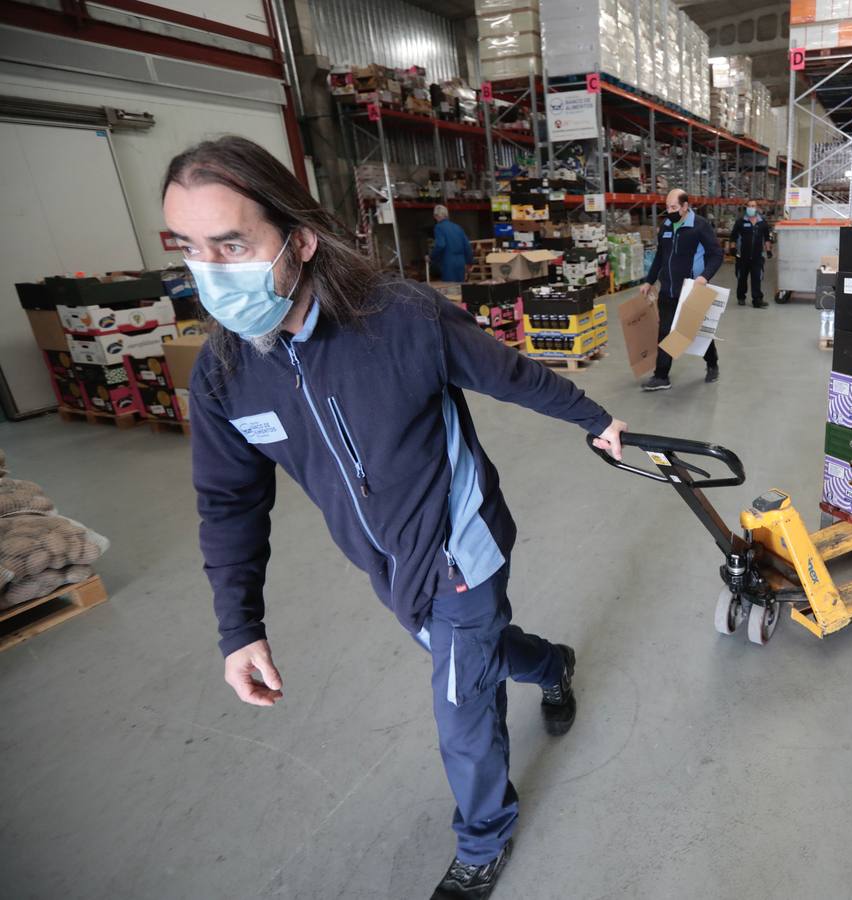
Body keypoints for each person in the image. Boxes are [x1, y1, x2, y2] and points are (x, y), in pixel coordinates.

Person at [163, 136, 627, 900]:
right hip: (386, 564)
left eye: (232, 243)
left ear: (300, 240)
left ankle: (483, 839)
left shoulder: (400, 319)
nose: (212, 271)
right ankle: (551, 665)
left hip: (459, 544)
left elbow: (504, 371)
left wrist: (591, 416)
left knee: (459, 705)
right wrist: (238, 626)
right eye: (191, 248)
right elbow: (229, 503)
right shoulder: (225, 375)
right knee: (468, 659)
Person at [638, 189, 725, 392]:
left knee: (695, 332)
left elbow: (716, 254)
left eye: (674, 207)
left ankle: (712, 363)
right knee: (665, 333)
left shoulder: (699, 226)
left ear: (685, 206)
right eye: (667, 207)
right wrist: (649, 281)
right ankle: (661, 376)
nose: (669, 211)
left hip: (691, 290)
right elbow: (660, 255)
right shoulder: (666, 225)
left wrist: (704, 277)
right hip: (667, 289)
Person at [729, 204, 773, 308]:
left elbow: (766, 238)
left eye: (753, 206)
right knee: (741, 278)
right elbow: (733, 237)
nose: (750, 208)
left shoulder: (762, 223)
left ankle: (757, 300)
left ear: (757, 208)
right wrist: (732, 248)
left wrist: (768, 250)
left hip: (757, 256)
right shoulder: (740, 222)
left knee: (757, 278)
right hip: (742, 256)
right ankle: (741, 297)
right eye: (749, 206)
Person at [432, 204, 474, 282]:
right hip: (461, 263)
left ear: (436, 215)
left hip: (448, 263)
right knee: (461, 289)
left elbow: (440, 245)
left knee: (450, 290)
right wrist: (469, 262)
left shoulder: (439, 227)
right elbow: (467, 246)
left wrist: (432, 257)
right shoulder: (457, 227)